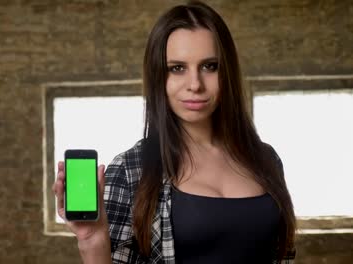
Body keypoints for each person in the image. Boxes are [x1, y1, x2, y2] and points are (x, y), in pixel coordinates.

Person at [53, 1, 297, 263]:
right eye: (177, 68)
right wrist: (92, 240)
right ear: (159, 75)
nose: (195, 84)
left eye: (210, 66)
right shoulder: (130, 170)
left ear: (227, 71)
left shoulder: (265, 158)